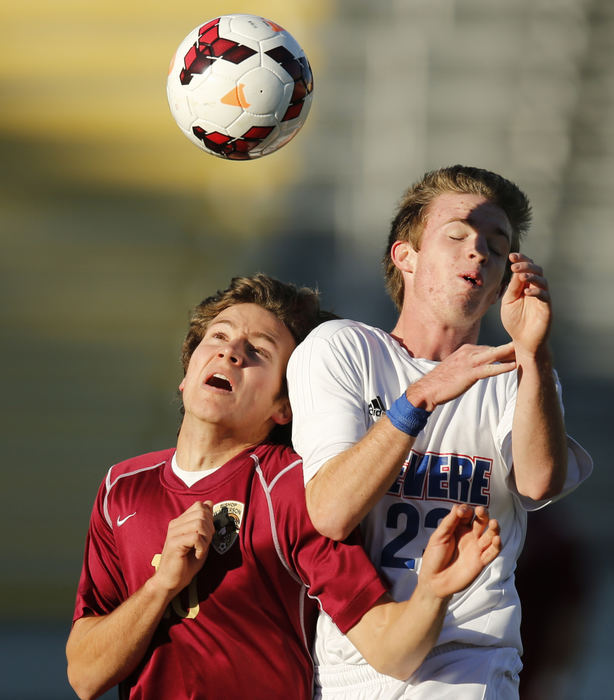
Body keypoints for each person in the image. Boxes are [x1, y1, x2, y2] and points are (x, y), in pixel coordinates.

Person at [66, 273, 502, 700]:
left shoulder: (294, 488)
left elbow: (391, 650)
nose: (231, 352)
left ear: (284, 407)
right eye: (218, 337)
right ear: (186, 372)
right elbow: (85, 676)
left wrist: (432, 593)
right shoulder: (122, 486)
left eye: (258, 350)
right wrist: (161, 585)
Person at [287, 166, 593, 699]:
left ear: (502, 280)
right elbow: (331, 512)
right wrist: (422, 395)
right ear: (404, 256)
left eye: (495, 247)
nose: (477, 251)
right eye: (456, 236)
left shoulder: (520, 374)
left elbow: (540, 483)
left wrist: (535, 350)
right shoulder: (343, 348)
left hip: (471, 661)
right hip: (353, 661)